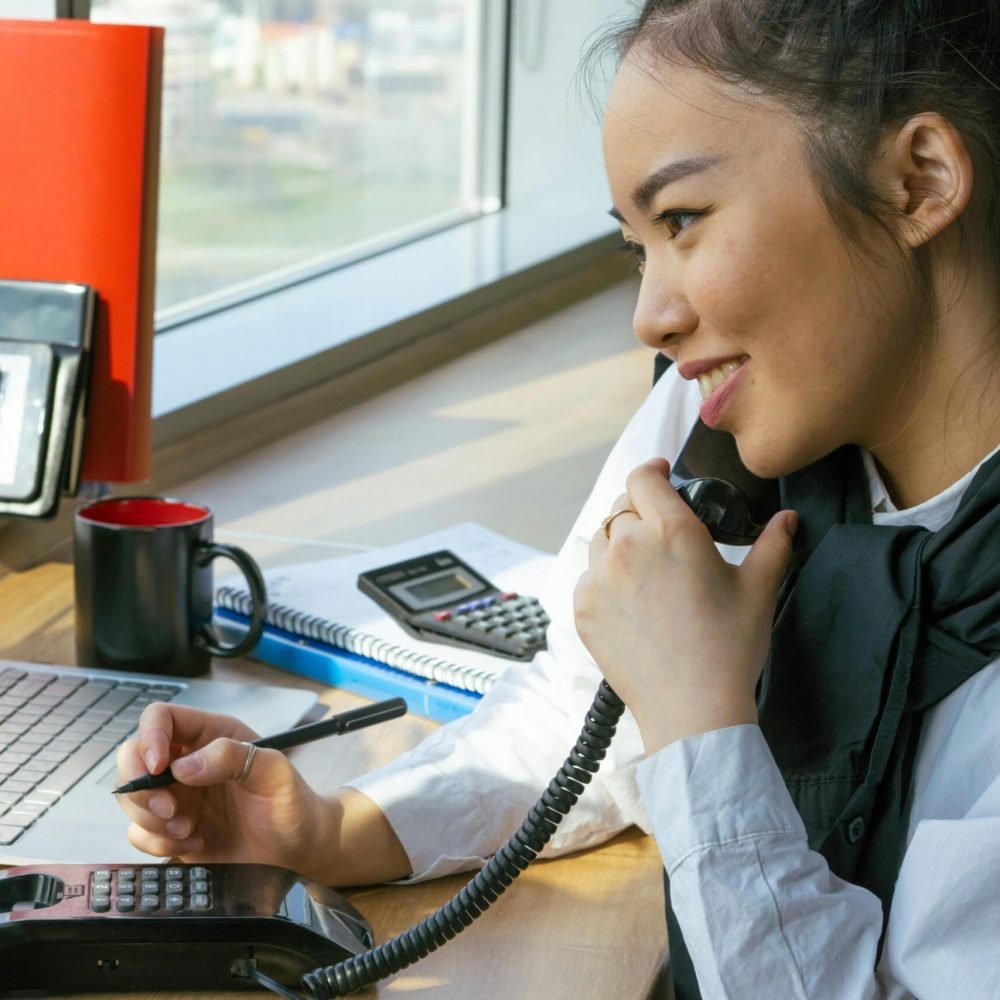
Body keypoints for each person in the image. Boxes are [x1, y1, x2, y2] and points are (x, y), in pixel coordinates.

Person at [117, 1, 1000, 996]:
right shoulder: (723, 427)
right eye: (636, 247)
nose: (649, 315)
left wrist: (699, 714)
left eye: (682, 221)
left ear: (917, 179)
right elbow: (581, 711)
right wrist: (333, 825)